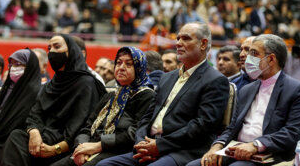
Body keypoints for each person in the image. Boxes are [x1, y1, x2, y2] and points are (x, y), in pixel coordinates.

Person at [97, 22, 229, 166]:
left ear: (203, 44)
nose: (178, 43)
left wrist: (159, 146)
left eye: (186, 39)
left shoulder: (216, 80)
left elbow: (201, 126)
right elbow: (147, 117)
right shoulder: (167, 77)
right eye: (178, 38)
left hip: (184, 150)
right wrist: (142, 143)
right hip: (150, 145)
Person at [190, 34, 300, 166]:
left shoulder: (298, 89)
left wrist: (256, 145)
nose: (246, 57)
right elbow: (232, 127)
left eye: (253, 53)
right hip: (236, 149)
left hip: (269, 154)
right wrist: (217, 146)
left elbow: (292, 132)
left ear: (271, 59)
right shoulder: (247, 89)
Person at [0, 34, 107, 166]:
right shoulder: (52, 84)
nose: (51, 52)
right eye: (49, 48)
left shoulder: (87, 83)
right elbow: (34, 114)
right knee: (16, 136)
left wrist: (54, 149)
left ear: (71, 51)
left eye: (57, 47)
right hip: (41, 140)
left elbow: (80, 127)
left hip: (67, 146)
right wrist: (34, 132)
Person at [51, 46, 156, 166]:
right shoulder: (111, 95)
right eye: (118, 63)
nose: (121, 68)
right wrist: (81, 148)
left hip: (117, 151)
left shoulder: (147, 95)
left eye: (128, 64)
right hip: (90, 146)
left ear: (139, 69)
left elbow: (134, 134)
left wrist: (98, 146)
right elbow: (87, 127)